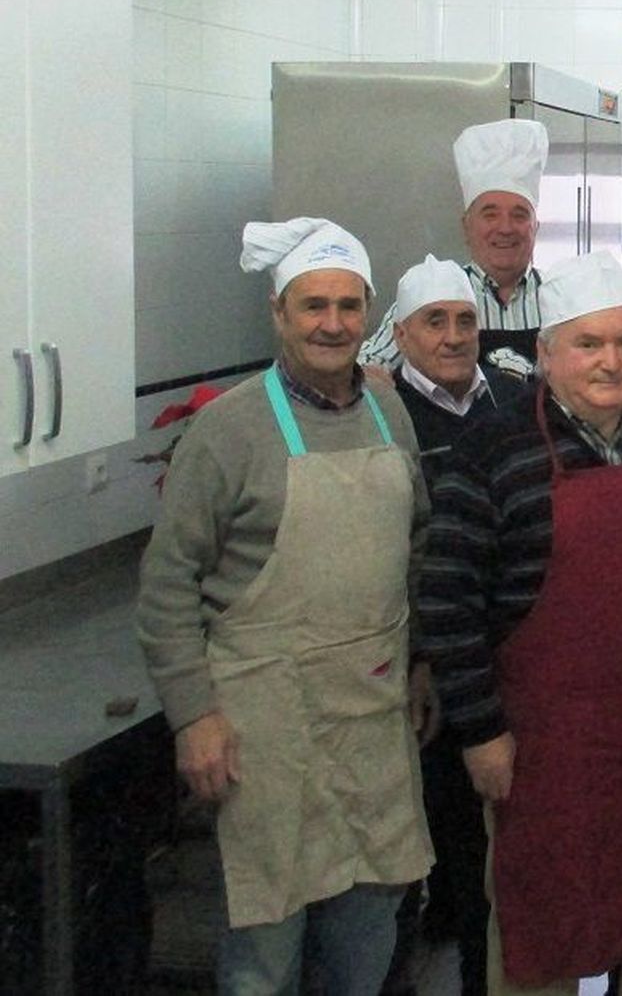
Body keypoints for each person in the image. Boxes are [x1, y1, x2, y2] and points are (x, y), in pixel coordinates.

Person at [137, 218, 434, 994]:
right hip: (263, 723)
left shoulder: (387, 411)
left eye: (346, 305)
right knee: (266, 945)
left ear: (367, 312)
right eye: (313, 306)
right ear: (279, 313)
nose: (332, 323)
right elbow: (168, 584)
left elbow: (417, 545)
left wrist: (425, 663)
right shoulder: (227, 429)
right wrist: (192, 715)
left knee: (369, 925)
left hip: (372, 711)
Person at [419, 251, 622, 996]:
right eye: (589, 344)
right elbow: (448, 599)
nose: (611, 361)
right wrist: (480, 730)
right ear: (546, 353)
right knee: (539, 932)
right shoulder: (489, 446)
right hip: (541, 747)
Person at [388, 254, 529, 996]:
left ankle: (485, 980)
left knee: (490, 854)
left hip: (499, 658)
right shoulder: (382, 411)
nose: (452, 337)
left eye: (464, 320)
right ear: (402, 334)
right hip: (409, 664)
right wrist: (419, 657)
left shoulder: (512, 398)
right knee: (411, 851)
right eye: (434, 322)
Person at [361, 118, 549, 377]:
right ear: (466, 227)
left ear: (535, 228)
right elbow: (365, 368)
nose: (505, 228)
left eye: (519, 215)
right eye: (490, 214)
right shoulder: (428, 296)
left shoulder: (562, 297)